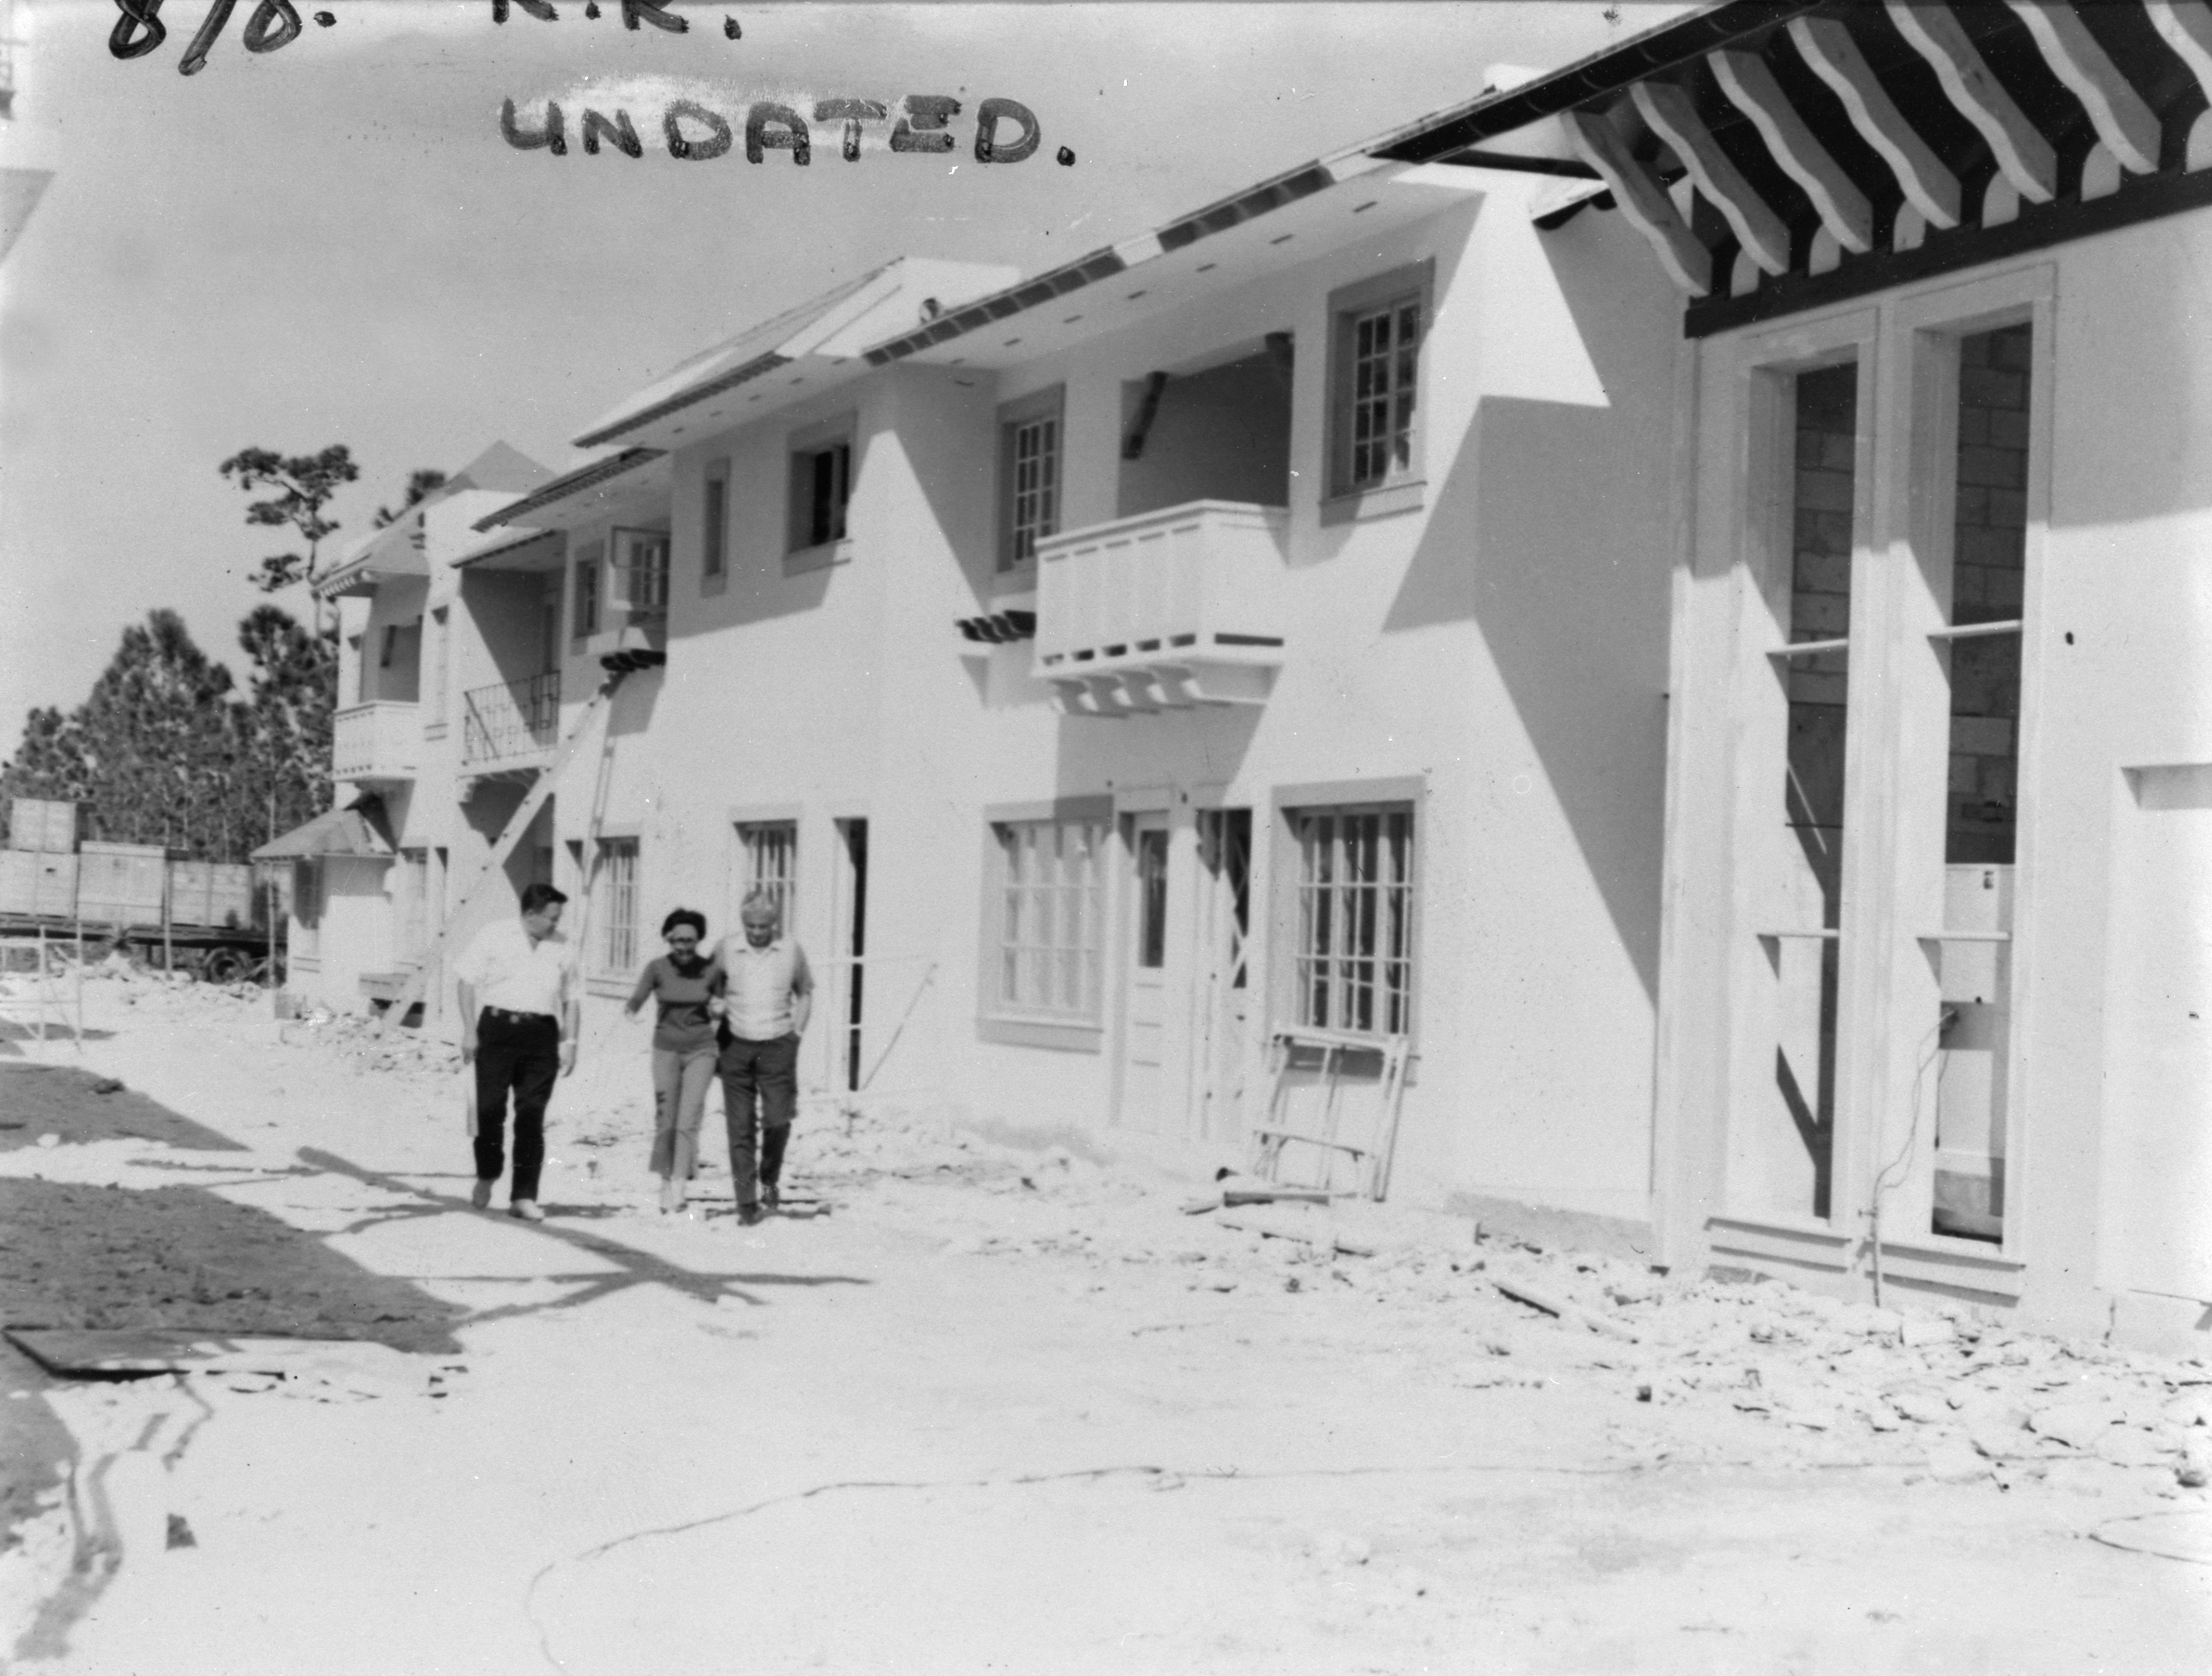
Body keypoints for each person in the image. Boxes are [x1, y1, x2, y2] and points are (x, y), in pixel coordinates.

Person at [455, 880, 579, 1224]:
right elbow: (465, 981)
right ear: (530, 914)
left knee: (531, 1116)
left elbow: (572, 997)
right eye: (552, 918)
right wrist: (468, 1030)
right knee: (490, 1110)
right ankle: (487, 1174)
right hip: (496, 1030)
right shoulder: (494, 935)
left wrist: (570, 1043)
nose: (556, 924)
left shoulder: (562, 945)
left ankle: (523, 1196)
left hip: (541, 1035)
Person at [711, 887, 813, 1224]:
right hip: (736, 1046)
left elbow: (805, 992)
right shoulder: (726, 949)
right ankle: (746, 1201)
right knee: (739, 1128)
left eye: (763, 927)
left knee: (778, 1120)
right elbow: (709, 991)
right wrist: (715, 1008)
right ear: (744, 924)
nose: (756, 933)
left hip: (777, 1044)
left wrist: (796, 1034)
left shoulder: (790, 950)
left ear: (774, 924)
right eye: (751, 926)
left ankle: (769, 1179)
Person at [623, 907, 725, 1214]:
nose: (683, 947)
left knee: (689, 1116)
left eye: (690, 941)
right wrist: (631, 1015)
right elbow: (635, 1002)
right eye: (678, 940)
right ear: (668, 938)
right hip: (665, 1049)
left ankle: (680, 1183)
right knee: (666, 1117)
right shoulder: (656, 968)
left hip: (701, 1050)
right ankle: (666, 1181)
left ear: (698, 940)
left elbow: (721, 1004)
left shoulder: (711, 970)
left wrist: (719, 1013)